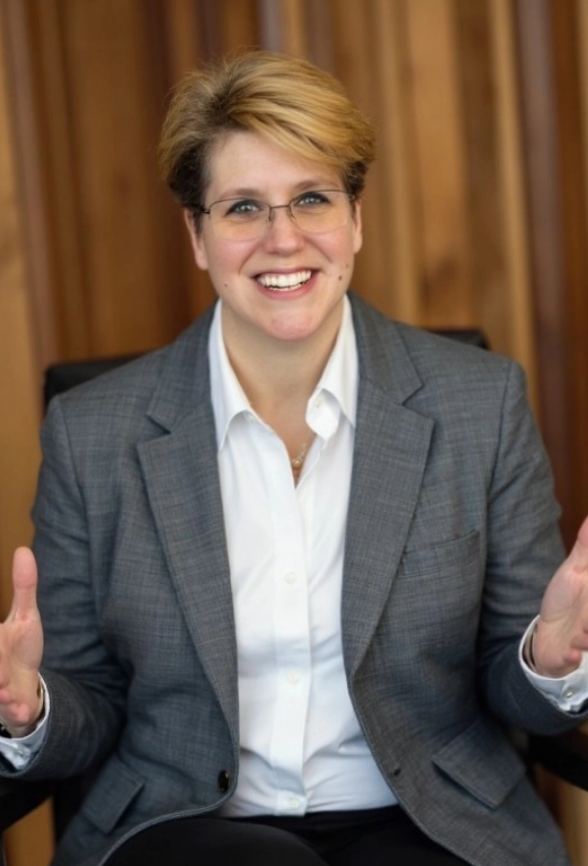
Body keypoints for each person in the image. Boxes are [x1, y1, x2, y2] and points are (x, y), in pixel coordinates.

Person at [0, 50, 587, 866]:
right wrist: (29, 708)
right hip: (187, 824)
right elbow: (87, 701)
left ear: (356, 219)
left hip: (427, 816)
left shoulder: (479, 404)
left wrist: (549, 662)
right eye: (243, 207)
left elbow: (510, 679)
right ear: (197, 234)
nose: (283, 240)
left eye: (312, 198)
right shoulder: (92, 434)